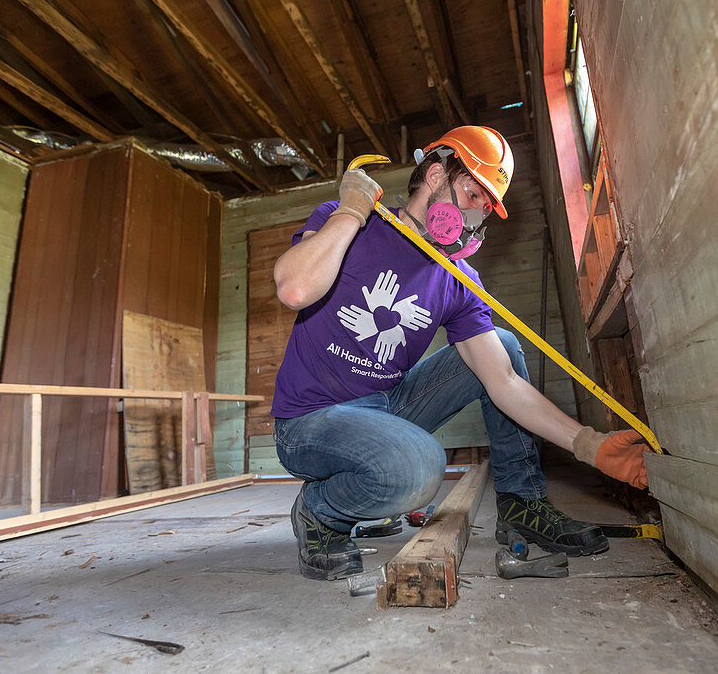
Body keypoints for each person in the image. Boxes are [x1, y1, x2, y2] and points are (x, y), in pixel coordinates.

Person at [271, 125, 650, 580]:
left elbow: (504, 382)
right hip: (310, 420)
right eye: (472, 196)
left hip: (384, 408)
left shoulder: (458, 280)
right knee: (420, 467)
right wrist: (351, 212)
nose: (475, 218)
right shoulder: (349, 221)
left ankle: (523, 502)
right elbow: (294, 288)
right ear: (435, 175)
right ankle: (320, 511)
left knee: (503, 348)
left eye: (486, 208)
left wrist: (590, 445)